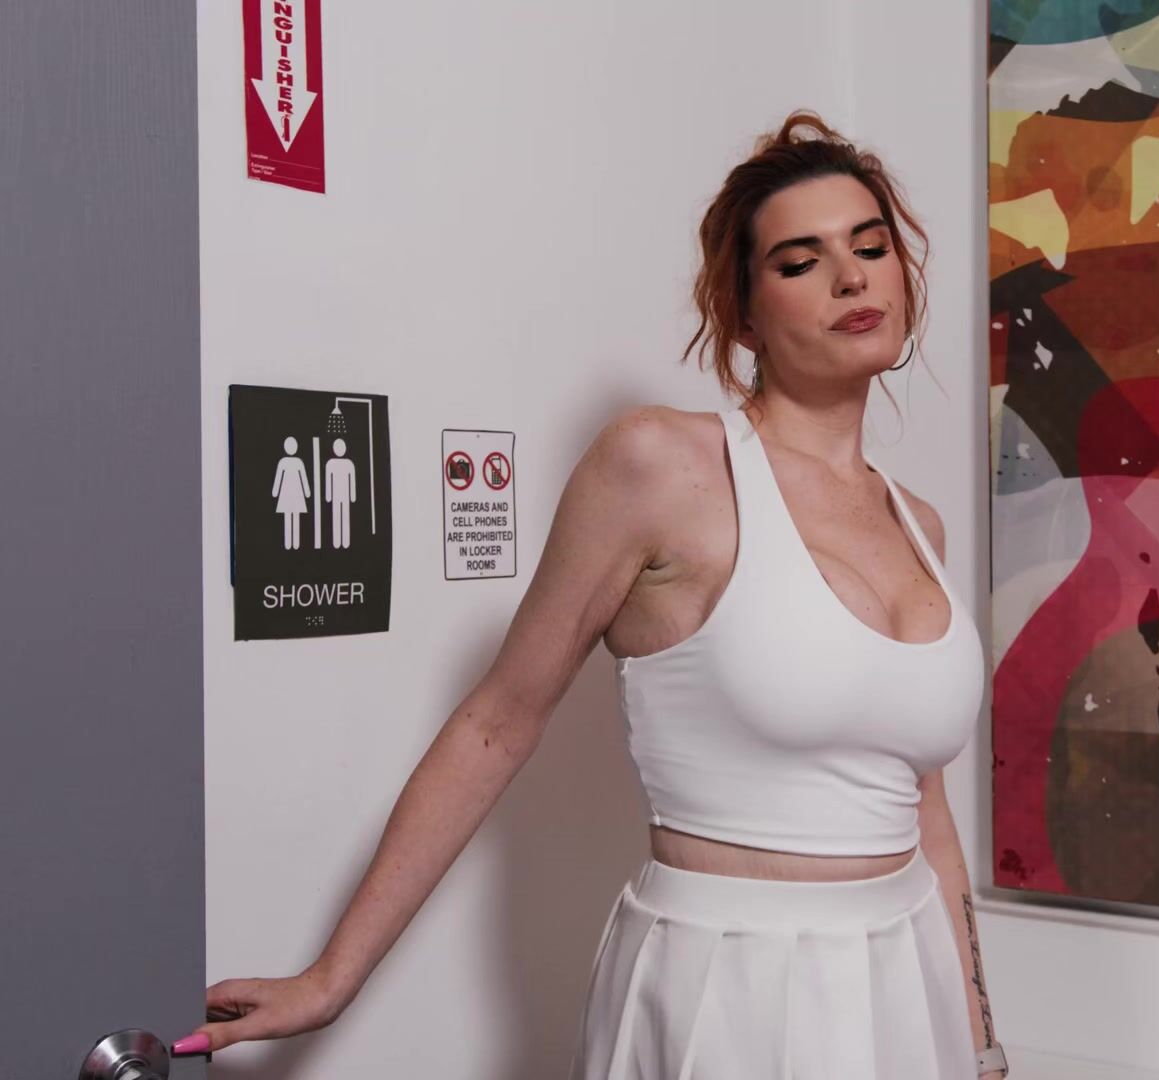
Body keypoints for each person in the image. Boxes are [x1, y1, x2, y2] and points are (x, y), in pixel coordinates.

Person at [176, 111, 1009, 1079]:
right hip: (728, 990)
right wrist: (332, 979)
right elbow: (498, 722)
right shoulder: (660, 464)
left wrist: (982, 1043)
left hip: (907, 988)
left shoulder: (919, 524)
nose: (852, 278)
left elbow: (925, 809)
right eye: (800, 261)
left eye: (870, 248)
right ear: (743, 315)